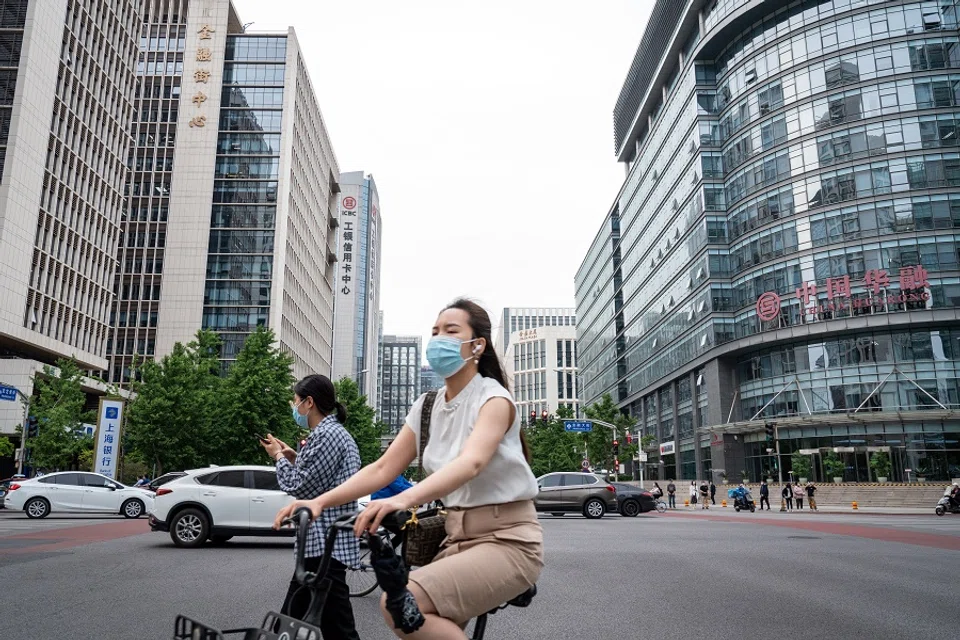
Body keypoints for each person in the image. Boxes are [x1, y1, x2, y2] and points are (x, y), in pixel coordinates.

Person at [274, 299, 542, 638]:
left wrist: (403, 500)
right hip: (454, 539)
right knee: (410, 619)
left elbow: (471, 462)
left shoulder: (493, 399)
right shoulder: (427, 405)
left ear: (477, 345)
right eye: (435, 331)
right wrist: (318, 502)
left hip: (507, 540)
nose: (438, 338)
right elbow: (384, 467)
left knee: (399, 603)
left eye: (450, 331)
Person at [261, 374, 361, 640]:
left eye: (296, 402)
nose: (295, 408)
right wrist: (294, 457)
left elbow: (299, 486)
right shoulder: (333, 433)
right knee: (325, 624)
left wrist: (278, 456)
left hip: (323, 542)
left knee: (309, 623)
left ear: (309, 402)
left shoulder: (326, 435)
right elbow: (319, 479)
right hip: (326, 544)